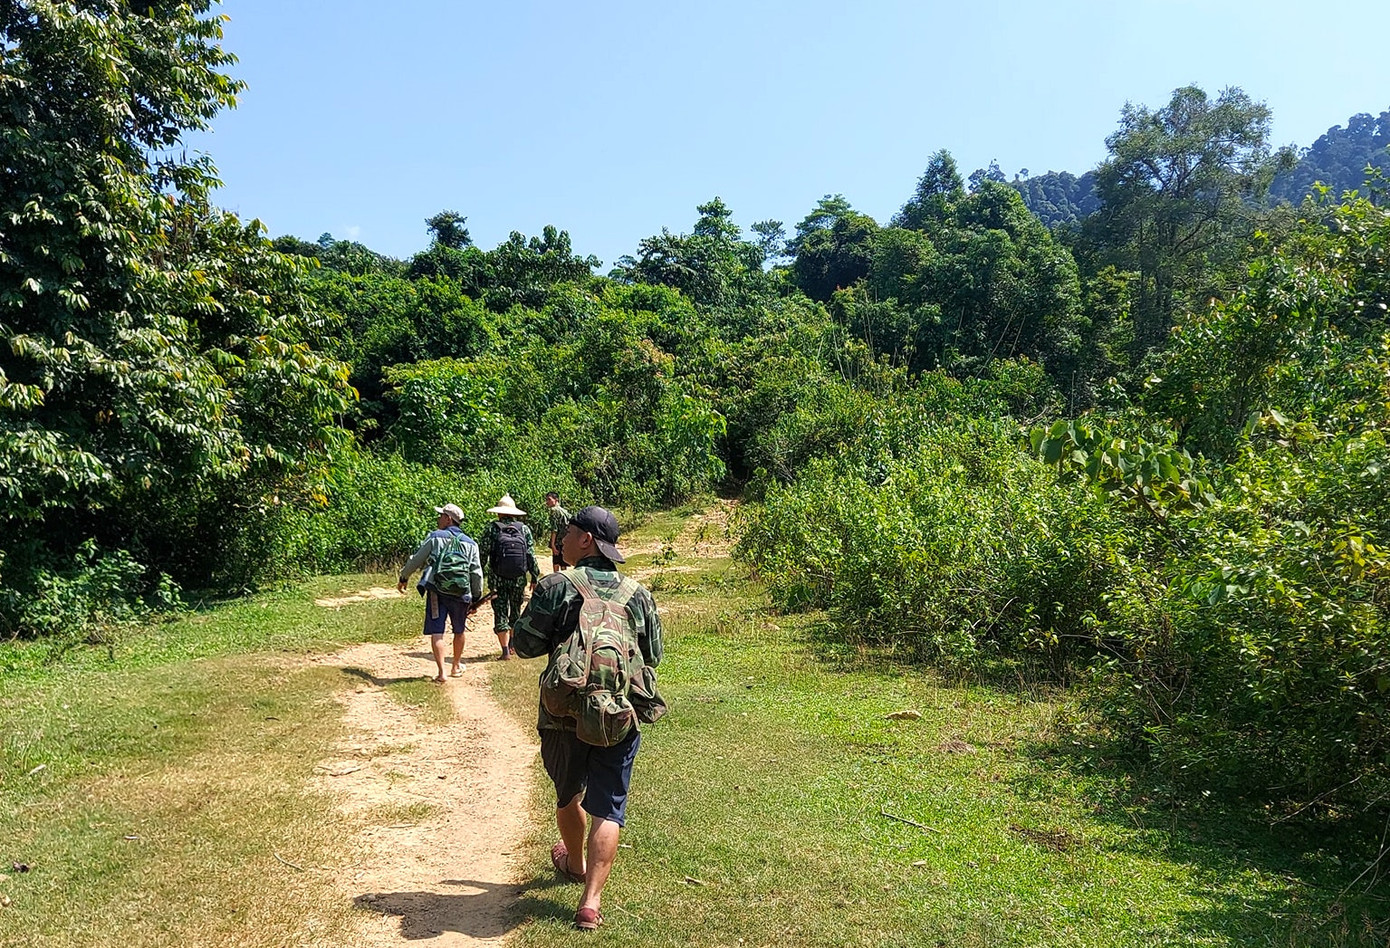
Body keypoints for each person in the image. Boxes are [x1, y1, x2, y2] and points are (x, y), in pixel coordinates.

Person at [513, 506, 663, 931]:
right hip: (619, 713)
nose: (561, 535)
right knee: (610, 809)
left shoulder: (556, 586)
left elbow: (524, 645)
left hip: (562, 714)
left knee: (569, 794)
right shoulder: (638, 593)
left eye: (569, 530)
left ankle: (574, 862)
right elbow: (652, 655)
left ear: (586, 541)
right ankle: (590, 903)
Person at [396, 503, 483, 682]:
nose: (438, 518)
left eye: (441, 515)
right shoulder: (471, 543)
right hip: (461, 592)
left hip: (437, 591)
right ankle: (456, 665)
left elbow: (417, 559)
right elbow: (476, 571)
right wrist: (476, 596)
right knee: (459, 631)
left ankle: (442, 672)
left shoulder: (434, 537)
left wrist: (404, 576)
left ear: (448, 519)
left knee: (438, 631)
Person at [477, 493, 540, 660]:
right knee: (516, 610)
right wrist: (534, 576)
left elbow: (482, 554)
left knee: (500, 611)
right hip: (519, 578)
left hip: (497, 578)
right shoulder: (524, 529)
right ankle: (513, 644)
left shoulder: (491, 528)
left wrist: (478, 575)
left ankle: (504, 651)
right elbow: (531, 555)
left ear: (498, 512)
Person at [544, 491, 571, 574]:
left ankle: (555, 580)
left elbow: (554, 529)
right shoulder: (565, 511)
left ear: (556, 500)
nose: (547, 502)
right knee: (563, 563)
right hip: (565, 540)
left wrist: (552, 544)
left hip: (558, 541)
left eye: (549, 499)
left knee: (556, 562)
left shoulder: (554, 511)